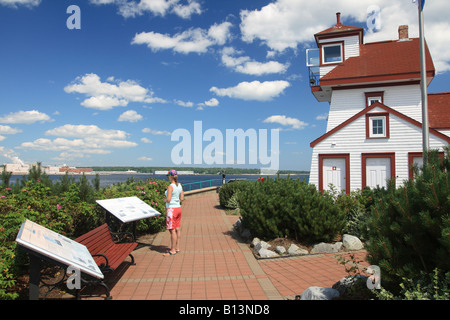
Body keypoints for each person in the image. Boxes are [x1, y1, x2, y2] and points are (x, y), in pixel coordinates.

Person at [163, 169, 184, 256]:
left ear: (171, 176)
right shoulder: (179, 185)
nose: (168, 177)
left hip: (171, 210)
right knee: (177, 228)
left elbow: (168, 199)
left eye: (168, 176)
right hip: (178, 208)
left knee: (172, 230)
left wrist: (165, 200)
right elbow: (182, 198)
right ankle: (177, 248)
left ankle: (172, 250)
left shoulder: (170, 186)